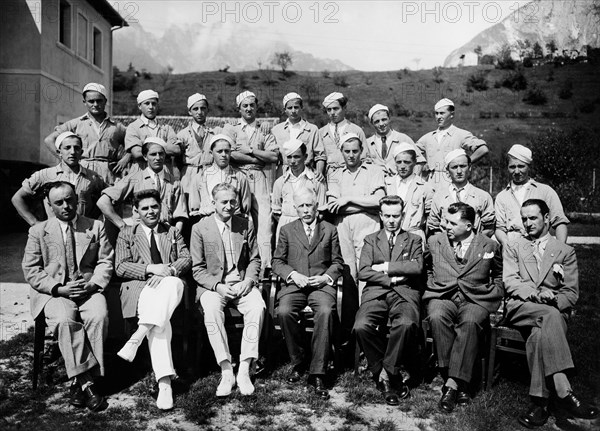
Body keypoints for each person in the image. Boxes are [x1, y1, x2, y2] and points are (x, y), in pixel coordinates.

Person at [503, 199, 598, 428]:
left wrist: (553, 299)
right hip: (521, 306)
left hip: (551, 310)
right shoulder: (514, 245)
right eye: (524, 218)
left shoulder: (565, 251)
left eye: (532, 218)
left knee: (539, 333)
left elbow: (571, 293)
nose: (527, 223)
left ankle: (539, 404)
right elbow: (511, 281)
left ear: (547, 218)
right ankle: (564, 391)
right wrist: (536, 295)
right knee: (551, 317)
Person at [22, 181, 113, 411]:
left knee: (98, 316)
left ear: (76, 199)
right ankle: (88, 384)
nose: (66, 206)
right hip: (55, 292)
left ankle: (78, 381)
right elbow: (32, 270)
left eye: (70, 200)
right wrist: (58, 289)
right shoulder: (38, 231)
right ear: (50, 206)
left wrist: (92, 285)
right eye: (59, 202)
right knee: (64, 320)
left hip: (87, 289)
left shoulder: (95, 226)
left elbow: (105, 261)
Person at [114, 189, 192, 410]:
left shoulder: (171, 232)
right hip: (141, 288)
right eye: (145, 208)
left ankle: (138, 338)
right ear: (136, 212)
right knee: (161, 323)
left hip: (169, 286)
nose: (151, 211)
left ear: (161, 207)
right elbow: (120, 266)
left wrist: (167, 270)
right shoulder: (127, 233)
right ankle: (165, 382)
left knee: (173, 283)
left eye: (154, 206)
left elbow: (186, 258)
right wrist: (150, 268)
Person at [425, 202, 502, 413]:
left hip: (476, 298)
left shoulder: (488, 245)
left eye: (451, 223)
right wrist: (434, 283)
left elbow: (498, 273)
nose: (445, 226)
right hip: (444, 295)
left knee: (470, 322)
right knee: (436, 316)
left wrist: (495, 292)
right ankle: (461, 381)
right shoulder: (435, 242)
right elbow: (427, 268)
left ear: (468, 226)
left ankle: (452, 384)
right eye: (445, 221)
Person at [191, 183, 265, 397]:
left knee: (258, 308)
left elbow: (255, 259)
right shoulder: (200, 228)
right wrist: (218, 286)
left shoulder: (245, 224)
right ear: (213, 203)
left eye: (233, 201)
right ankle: (226, 369)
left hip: (241, 283)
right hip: (214, 286)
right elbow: (197, 269)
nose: (229, 206)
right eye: (224, 202)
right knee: (212, 311)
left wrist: (249, 280)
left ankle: (244, 368)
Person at [272, 187, 344, 400]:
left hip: (320, 285)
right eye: (301, 206)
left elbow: (338, 262)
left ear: (316, 207)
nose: (305, 210)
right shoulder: (286, 230)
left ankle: (318, 372)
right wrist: (293, 275)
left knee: (325, 311)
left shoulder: (329, 229)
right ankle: (299, 359)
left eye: (309, 205)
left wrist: (325, 278)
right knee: (284, 311)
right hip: (295, 285)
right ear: (295, 208)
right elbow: (277, 262)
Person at [353, 195, 423, 405]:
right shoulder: (371, 239)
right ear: (381, 216)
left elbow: (417, 267)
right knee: (360, 326)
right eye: (388, 216)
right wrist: (392, 278)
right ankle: (386, 372)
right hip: (376, 293)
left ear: (402, 215)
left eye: (396, 216)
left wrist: (385, 267)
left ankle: (385, 374)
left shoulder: (414, 239)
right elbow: (363, 271)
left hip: (405, 293)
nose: (392, 220)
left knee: (407, 324)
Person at [222, 91, 279, 269]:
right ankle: (236, 265)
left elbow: (273, 156)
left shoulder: (264, 129)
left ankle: (265, 266)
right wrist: (256, 158)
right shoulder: (231, 128)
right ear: (238, 108)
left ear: (256, 107)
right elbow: (230, 154)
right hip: (238, 177)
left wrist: (250, 150)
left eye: (252, 105)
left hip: (259, 179)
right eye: (244, 105)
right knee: (237, 219)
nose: (249, 108)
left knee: (264, 222)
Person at [326, 133, 386, 292]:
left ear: (361, 151)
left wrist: (348, 199)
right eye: (347, 151)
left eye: (355, 151)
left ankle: (365, 312)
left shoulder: (374, 171)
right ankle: (349, 314)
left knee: (367, 270)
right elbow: (333, 207)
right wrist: (366, 204)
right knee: (347, 270)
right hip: (342, 227)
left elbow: (379, 201)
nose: (351, 155)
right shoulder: (335, 174)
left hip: (368, 226)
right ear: (342, 152)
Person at [98, 137, 188, 239]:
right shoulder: (135, 178)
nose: (158, 158)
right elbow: (103, 202)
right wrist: (123, 226)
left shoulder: (175, 182)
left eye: (161, 154)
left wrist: (174, 235)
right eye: (153, 154)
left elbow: (180, 215)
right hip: (141, 235)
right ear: (145, 157)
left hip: (166, 234)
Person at [12, 132, 106, 224]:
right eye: (67, 148)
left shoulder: (93, 177)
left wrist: (96, 223)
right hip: (55, 233)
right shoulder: (45, 175)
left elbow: (108, 198)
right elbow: (17, 198)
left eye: (76, 148)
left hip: (84, 234)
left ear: (81, 152)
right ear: (59, 152)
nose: (72, 152)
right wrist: (34, 222)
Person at [43, 83, 127, 185]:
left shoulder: (116, 127)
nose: (95, 104)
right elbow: (49, 140)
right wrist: (65, 158)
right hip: (82, 171)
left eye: (99, 101)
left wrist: (126, 159)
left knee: (106, 200)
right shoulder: (75, 124)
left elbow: (136, 143)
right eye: (91, 101)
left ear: (105, 101)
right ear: (85, 102)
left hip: (109, 174)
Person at [495, 144, 569, 248]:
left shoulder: (545, 191)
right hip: (512, 248)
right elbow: (499, 228)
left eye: (521, 166)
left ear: (529, 166)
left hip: (540, 247)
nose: (516, 171)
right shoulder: (501, 197)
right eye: (512, 167)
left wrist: (560, 250)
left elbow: (560, 222)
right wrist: (506, 244)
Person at [416, 98, 488, 187]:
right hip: (430, 183)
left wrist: (466, 163)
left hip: (451, 183)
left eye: (442, 113)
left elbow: (483, 149)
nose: (438, 117)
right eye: (436, 113)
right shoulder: (428, 137)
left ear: (451, 114)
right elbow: (411, 152)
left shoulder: (461, 134)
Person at [427, 149, 495, 237]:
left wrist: (473, 243)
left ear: (469, 167)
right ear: (447, 170)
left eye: (463, 166)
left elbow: (489, 228)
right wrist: (446, 244)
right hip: (446, 247)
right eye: (454, 167)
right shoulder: (439, 197)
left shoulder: (483, 196)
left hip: (474, 246)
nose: (459, 171)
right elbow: (434, 226)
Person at [271, 138, 327, 242]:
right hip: (285, 228)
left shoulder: (316, 180)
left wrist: (306, 225)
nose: (292, 161)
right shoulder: (280, 182)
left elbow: (322, 212)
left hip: (310, 229)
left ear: (305, 157)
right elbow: (276, 212)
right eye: (289, 157)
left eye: (296, 157)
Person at [188, 134, 251, 220]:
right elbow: (195, 209)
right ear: (211, 153)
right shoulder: (200, 178)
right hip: (208, 223)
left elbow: (245, 207)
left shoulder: (240, 177)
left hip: (233, 223)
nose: (224, 155)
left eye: (227, 151)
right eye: (219, 151)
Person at [125, 89, 181, 176]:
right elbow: (137, 152)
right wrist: (164, 146)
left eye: (154, 103)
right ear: (139, 106)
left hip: (165, 174)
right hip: (142, 173)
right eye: (147, 103)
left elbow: (176, 149)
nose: (151, 107)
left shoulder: (166, 128)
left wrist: (147, 147)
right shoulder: (133, 127)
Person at [271, 92, 326, 180]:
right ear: (284, 109)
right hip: (284, 174)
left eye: (296, 107)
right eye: (289, 108)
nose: (293, 111)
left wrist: (319, 172)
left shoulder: (312, 129)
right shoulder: (276, 130)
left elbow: (320, 155)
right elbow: (272, 155)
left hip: (306, 173)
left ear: (301, 108)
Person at [384, 143, 432, 241]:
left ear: (414, 162)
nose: (402, 166)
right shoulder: (386, 184)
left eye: (406, 162)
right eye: (399, 162)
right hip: (389, 236)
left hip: (414, 236)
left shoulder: (424, 187)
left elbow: (430, 219)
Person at [177, 93, 220, 198]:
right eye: (195, 109)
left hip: (210, 173)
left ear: (207, 110)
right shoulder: (182, 134)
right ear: (189, 111)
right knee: (189, 205)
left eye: (203, 108)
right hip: (189, 174)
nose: (199, 112)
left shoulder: (215, 132)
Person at [365, 104, 424, 175]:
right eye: (377, 121)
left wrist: (412, 180)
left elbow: (420, 161)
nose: (381, 124)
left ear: (389, 118)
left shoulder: (403, 138)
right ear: (372, 123)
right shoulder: (367, 143)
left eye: (384, 120)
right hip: (376, 184)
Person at [318, 92, 366, 176]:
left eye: (336, 109)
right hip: (329, 177)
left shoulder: (356, 130)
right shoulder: (321, 132)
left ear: (344, 108)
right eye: (329, 110)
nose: (332, 113)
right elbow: (319, 157)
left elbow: (365, 157)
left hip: (352, 175)